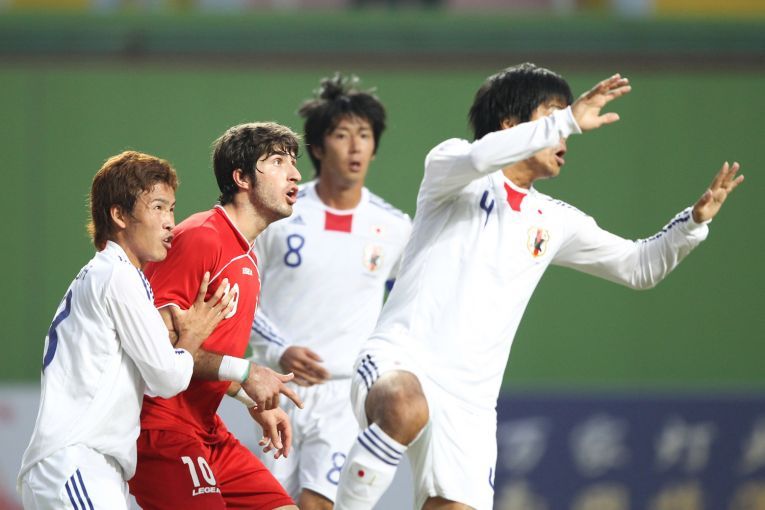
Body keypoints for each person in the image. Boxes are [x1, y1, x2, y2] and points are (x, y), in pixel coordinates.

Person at [334, 63, 744, 510]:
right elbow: (480, 158)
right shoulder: (451, 169)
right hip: (401, 358)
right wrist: (567, 120)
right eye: (552, 117)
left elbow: (638, 266)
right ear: (510, 125)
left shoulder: (555, 219)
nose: (565, 136)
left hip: (471, 404)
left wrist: (693, 224)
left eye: (564, 121)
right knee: (403, 406)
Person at [17, 151, 232, 509]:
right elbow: (167, 378)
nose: (170, 222)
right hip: (76, 462)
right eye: (158, 207)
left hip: (84, 466)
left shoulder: (110, 274)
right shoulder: (117, 275)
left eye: (172, 209)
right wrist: (192, 335)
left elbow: (149, 374)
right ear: (118, 215)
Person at [249, 74, 412, 509]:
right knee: (271, 505)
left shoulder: (395, 227)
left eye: (365, 135)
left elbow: (408, 308)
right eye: (342, 135)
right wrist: (279, 349)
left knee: (318, 503)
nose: (355, 147)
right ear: (318, 148)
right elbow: (240, 296)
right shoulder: (277, 214)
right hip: (275, 388)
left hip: (344, 392)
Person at [129, 122, 306, 510]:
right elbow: (159, 345)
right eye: (278, 162)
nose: (295, 174)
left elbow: (200, 354)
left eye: (293, 162)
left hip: (205, 427)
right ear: (241, 178)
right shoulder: (201, 237)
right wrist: (247, 372)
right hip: (161, 427)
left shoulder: (247, 256)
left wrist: (248, 395)